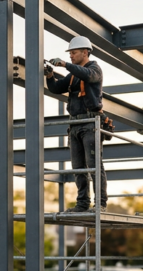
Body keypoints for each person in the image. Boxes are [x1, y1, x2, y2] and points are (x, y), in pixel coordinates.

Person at [45, 36, 107, 213]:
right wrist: (50, 75)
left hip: (90, 123)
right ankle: (82, 204)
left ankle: (100, 204)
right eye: (70, 54)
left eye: (74, 53)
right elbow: (57, 88)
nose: (71, 56)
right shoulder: (72, 77)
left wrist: (64, 64)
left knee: (94, 165)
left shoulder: (95, 69)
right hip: (75, 125)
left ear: (85, 52)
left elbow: (88, 75)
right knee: (78, 167)